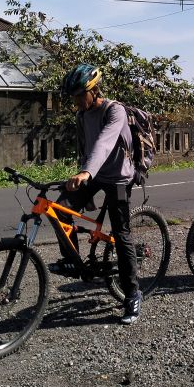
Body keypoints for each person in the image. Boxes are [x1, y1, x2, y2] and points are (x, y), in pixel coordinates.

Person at [57, 63, 143, 323]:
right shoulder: (82, 115)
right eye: (72, 97)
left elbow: (104, 143)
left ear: (93, 91)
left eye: (79, 95)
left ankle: (132, 294)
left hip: (117, 177)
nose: (75, 102)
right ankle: (74, 261)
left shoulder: (114, 110)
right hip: (92, 173)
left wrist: (86, 172)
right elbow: (87, 148)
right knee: (60, 210)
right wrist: (80, 174)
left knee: (121, 233)